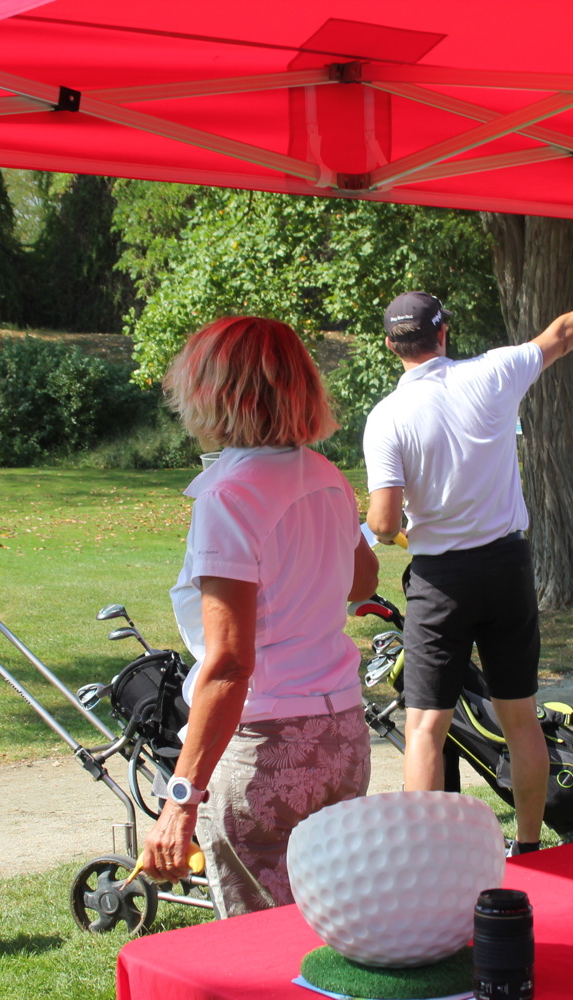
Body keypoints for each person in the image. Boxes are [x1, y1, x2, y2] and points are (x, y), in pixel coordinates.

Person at [363, 281, 573, 855]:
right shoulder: (492, 372)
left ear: (391, 346)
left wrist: (399, 528)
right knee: (520, 719)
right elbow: (563, 333)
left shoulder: (386, 417)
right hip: (508, 568)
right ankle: (530, 846)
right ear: (443, 332)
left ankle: (431, 860)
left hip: (440, 580)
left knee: (425, 726)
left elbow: (384, 524)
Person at [139, 316, 380, 916]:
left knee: (262, 941)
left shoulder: (229, 496)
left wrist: (179, 801)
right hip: (342, 732)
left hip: (267, 744)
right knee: (335, 923)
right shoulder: (326, 476)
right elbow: (363, 580)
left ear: (214, 393)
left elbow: (229, 664)